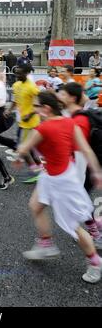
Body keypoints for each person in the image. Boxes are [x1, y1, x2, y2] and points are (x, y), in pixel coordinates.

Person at [17, 91, 102, 284]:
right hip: (58, 174)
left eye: (37, 106)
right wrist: (96, 172)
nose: (35, 109)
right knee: (36, 206)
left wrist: (21, 155)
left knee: (73, 227)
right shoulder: (69, 121)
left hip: (60, 180)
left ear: (46, 108)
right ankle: (46, 243)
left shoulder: (43, 127)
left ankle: (95, 262)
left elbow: (24, 148)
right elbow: (86, 149)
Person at [58, 82, 102, 248]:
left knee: (79, 200)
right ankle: (95, 228)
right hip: (83, 166)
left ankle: (96, 234)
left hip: (84, 167)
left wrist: (75, 177)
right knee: (80, 201)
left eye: (62, 94)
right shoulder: (69, 113)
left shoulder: (79, 121)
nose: (58, 96)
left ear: (71, 97)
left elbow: (81, 153)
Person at [6, 64, 44, 182]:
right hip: (23, 122)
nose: (17, 75)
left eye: (20, 73)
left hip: (32, 123)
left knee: (23, 149)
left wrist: (31, 114)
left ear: (27, 73)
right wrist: (9, 110)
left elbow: (39, 104)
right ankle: (41, 169)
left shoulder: (32, 87)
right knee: (31, 149)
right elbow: (16, 100)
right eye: (16, 73)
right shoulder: (16, 85)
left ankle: (35, 172)